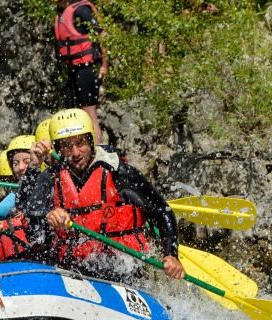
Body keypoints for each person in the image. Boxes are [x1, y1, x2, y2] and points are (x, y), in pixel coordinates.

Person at [23, 108, 185, 281]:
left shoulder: (119, 173)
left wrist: (171, 254)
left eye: (81, 143)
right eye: (67, 146)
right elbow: (28, 210)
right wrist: (48, 213)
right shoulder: (51, 177)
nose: (76, 152)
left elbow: (161, 210)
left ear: (91, 141)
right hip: (73, 270)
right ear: (58, 149)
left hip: (125, 269)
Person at [54, 0, 109, 144]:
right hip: (75, 71)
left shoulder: (81, 10)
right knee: (78, 116)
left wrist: (104, 65)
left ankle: (98, 150)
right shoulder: (62, 13)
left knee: (89, 114)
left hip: (86, 68)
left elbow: (101, 34)